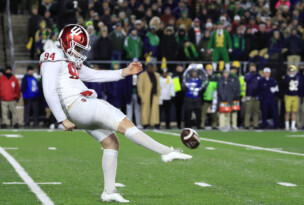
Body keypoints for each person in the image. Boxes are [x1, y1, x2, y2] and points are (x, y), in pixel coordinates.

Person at [40, 25, 191, 203]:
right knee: (123, 121)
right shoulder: (52, 54)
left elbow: (93, 75)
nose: (80, 52)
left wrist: (124, 72)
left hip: (79, 107)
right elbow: (48, 89)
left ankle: (109, 191)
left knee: (111, 142)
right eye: (78, 47)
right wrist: (62, 119)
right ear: (67, 42)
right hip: (77, 104)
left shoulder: (68, 59)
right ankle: (167, 151)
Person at [137, 64, 161, 129]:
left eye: (151, 67)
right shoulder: (142, 75)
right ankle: (145, 124)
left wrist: (158, 95)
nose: (150, 69)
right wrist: (141, 96)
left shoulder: (157, 75)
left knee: (155, 111)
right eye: (149, 67)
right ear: (147, 68)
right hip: (146, 96)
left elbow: (159, 86)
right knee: (145, 111)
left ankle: (155, 123)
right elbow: (140, 87)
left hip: (154, 95)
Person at [201, 64, 218, 129]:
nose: (209, 71)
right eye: (208, 70)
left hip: (213, 98)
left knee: (214, 113)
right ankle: (202, 125)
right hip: (205, 98)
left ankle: (214, 125)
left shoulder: (216, 78)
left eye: (210, 69)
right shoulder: (204, 78)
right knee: (203, 113)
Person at [244, 63, 261, 129]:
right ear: (249, 69)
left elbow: (260, 85)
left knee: (256, 111)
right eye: (251, 68)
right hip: (249, 95)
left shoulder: (258, 75)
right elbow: (246, 81)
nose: (253, 69)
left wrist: (259, 94)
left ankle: (255, 125)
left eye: (253, 68)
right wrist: (252, 75)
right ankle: (246, 125)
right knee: (248, 111)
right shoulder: (247, 75)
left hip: (256, 95)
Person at [283, 65, 300, 131]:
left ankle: (293, 126)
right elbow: (284, 85)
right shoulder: (286, 77)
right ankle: (287, 126)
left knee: (294, 112)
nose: (292, 72)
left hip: (295, 96)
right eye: (291, 71)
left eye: (293, 71)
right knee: (287, 111)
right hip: (288, 96)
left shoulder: (297, 77)